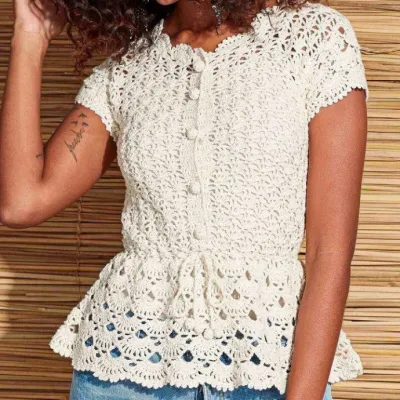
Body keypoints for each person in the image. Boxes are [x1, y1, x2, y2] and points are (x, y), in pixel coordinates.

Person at [0, 0, 368, 399]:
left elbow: (329, 253)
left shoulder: (311, 38)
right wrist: (31, 34)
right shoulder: (128, 66)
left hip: (267, 370)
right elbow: (22, 202)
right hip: (126, 368)